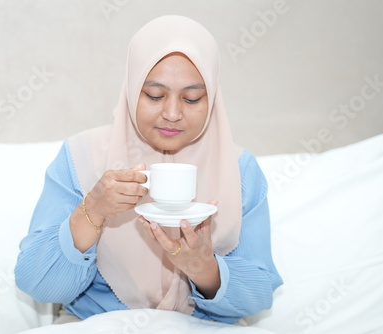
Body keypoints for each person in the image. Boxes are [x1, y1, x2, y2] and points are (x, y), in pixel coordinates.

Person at [15, 15, 282, 324]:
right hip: (97, 323)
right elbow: (38, 283)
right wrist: (93, 210)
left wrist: (204, 269)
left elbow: (259, 296)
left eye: (192, 98)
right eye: (154, 95)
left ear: (212, 97)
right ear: (131, 89)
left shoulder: (240, 170)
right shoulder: (82, 157)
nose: (171, 113)